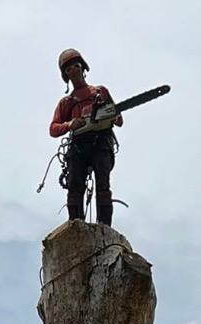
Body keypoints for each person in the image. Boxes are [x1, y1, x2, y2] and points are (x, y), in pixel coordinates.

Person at [49, 48, 123, 226]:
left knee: (103, 185)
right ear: (66, 76)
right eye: (69, 69)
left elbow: (119, 119)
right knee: (75, 186)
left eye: (76, 66)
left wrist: (111, 116)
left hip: (101, 141)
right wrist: (69, 124)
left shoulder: (100, 92)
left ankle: (104, 224)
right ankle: (75, 223)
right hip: (79, 145)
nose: (74, 71)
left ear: (83, 67)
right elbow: (53, 128)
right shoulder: (66, 102)